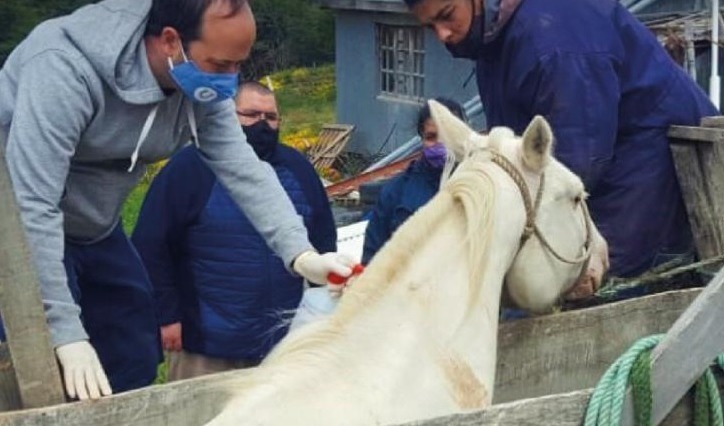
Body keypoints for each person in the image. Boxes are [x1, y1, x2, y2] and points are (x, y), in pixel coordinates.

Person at [0, 0, 354, 400]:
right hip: (16, 228)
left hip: (95, 225)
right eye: (221, 64)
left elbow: (245, 170)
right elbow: (32, 205)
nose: (230, 80)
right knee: (36, 364)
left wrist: (301, 255)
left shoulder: (200, 88)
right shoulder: (62, 69)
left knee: (134, 349)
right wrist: (63, 332)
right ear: (171, 41)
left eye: (238, 65)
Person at [403, 0, 718, 279]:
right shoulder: (492, 37)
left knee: (597, 284)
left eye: (446, 15)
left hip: (647, 161)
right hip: (604, 159)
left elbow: (578, 156)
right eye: (430, 26)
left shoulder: (553, 41)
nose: (442, 34)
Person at [132, 81, 337, 380]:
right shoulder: (189, 169)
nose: (262, 124)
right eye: (251, 115)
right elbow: (151, 246)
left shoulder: (299, 170)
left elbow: (323, 240)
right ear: (229, 115)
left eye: (271, 117)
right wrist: (167, 316)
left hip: (281, 344)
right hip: (207, 343)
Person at [362, 97, 465, 264]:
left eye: (448, 136)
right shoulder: (396, 192)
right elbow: (371, 260)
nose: (440, 144)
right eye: (431, 137)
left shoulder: (479, 187)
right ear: (421, 138)